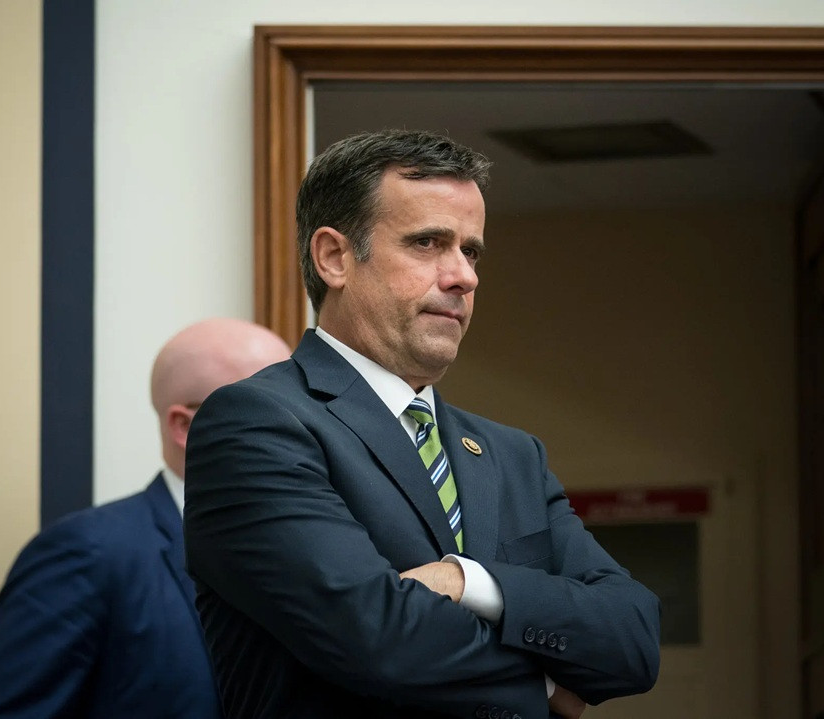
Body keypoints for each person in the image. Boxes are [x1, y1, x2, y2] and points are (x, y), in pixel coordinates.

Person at [183, 130, 661, 719]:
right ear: (334, 257)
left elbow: (635, 639)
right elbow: (376, 637)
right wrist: (543, 684)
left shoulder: (513, 455)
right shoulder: (258, 423)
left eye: (471, 251)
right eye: (428, 243)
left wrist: (470, 582)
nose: (464, 276)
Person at [0, 318, 292, 718]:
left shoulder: (313, 543)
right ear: (185, 426)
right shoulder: (87, 555)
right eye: (273, 408)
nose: (301, 428)